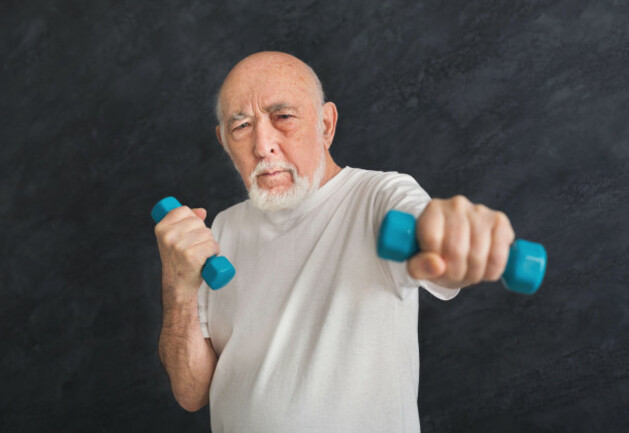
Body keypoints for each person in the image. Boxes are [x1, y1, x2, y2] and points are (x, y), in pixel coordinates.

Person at [153, 51, 515, 433]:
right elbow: (191, 392)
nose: (263, 145)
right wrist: (178, 287)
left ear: (326, 125)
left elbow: (431, 240)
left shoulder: (380, 197)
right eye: (241, 125)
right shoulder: (221, 230)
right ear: (224, 141)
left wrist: (451, 238)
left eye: (283, 117)